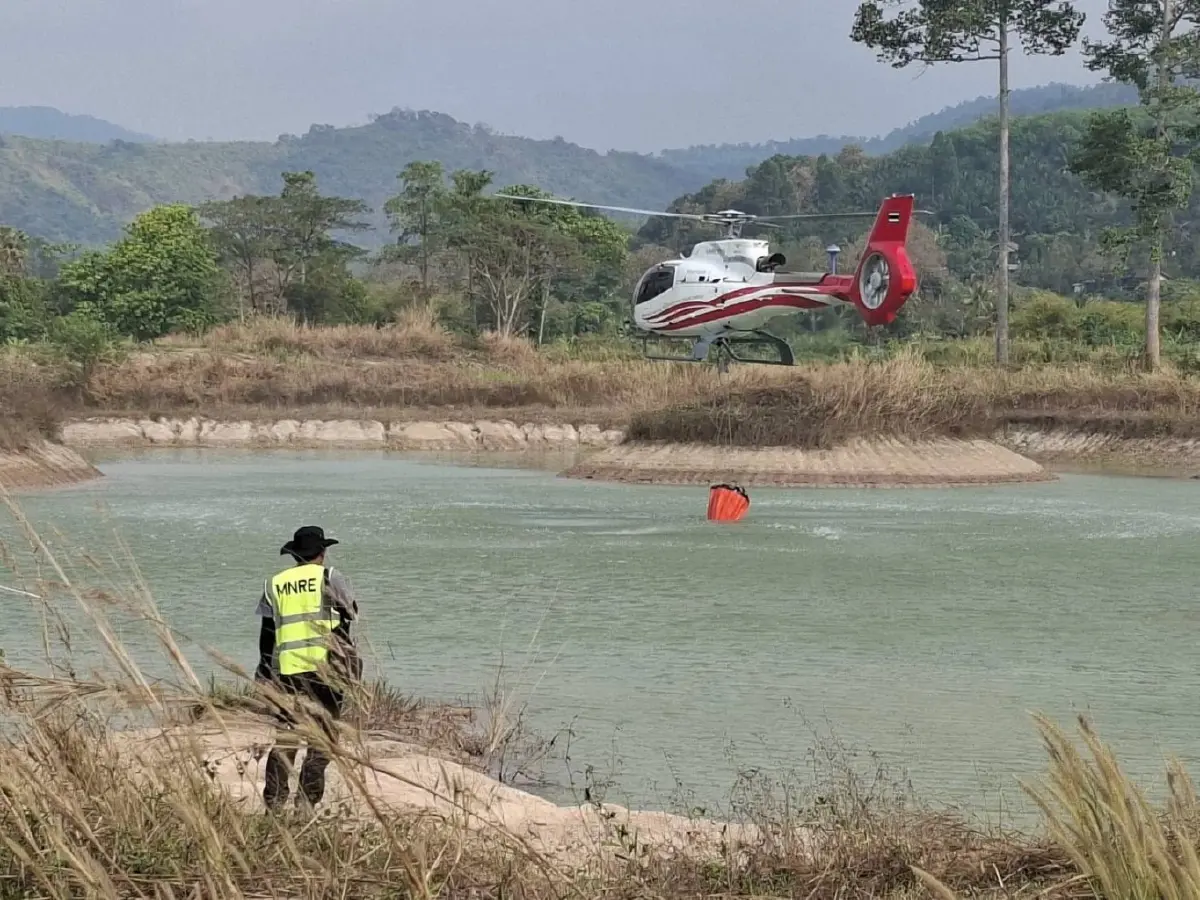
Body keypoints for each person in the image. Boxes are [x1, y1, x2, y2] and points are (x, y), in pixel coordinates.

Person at [254, 525, 361, 813]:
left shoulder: (274, 583)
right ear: (322, 553)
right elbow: (350, 614)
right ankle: (306, 802)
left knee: (286, 735)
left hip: (288, 670)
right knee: (323, 737)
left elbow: (267, 633)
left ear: (294, 554)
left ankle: (275, 804)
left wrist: (264, 670)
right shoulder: (329, 577)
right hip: (326, 669)